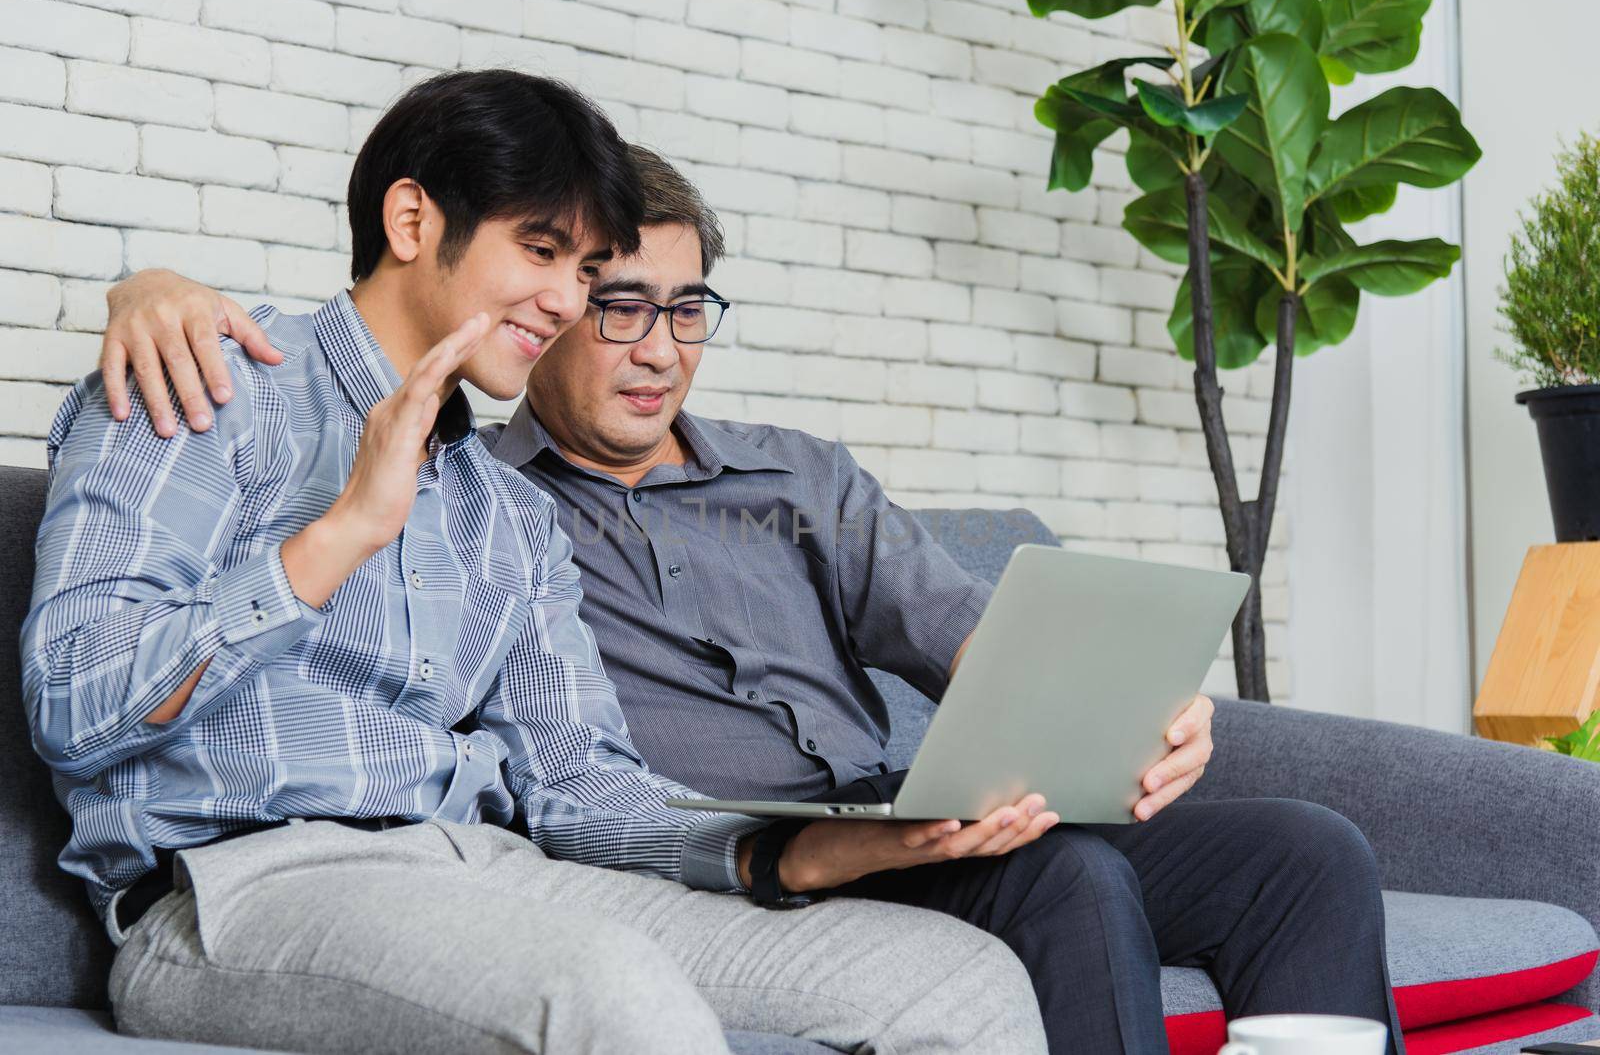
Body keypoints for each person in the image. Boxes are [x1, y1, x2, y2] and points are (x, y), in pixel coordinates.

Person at [99, 139, 1405, 1053]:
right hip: (723, 857)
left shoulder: (798, 475)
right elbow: (320, 377)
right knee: (1070, 883)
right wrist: (147, 285)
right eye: (615, 309)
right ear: (543, 313)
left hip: (901, 812)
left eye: (688, 309)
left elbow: (976, 640)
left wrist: (1141, 714)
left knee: (1304, 853)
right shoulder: (468, 496)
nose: (658, 349)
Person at [24, 71, 1049, 1055]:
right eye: (542, 248)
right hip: (241, 893)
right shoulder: (201, 383)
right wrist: (337, 537)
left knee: (956, 982)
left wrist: (784, 852)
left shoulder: (506, 511)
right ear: (414, 222)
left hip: (488, 870)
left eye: (586, 269)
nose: (567, 300)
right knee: (607, 992)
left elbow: (574, 781)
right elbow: (74, 704)